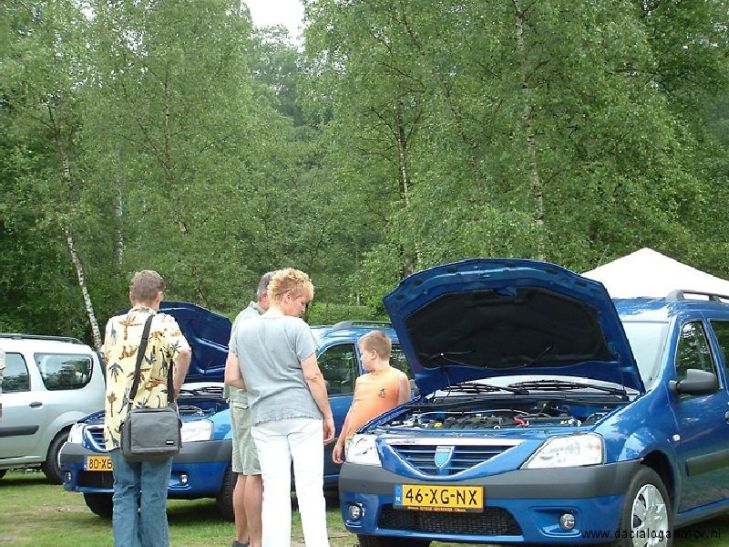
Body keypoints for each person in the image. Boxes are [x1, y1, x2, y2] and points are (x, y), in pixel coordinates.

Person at [225, 268, 334, 547]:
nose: (302, 309)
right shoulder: (297, 328)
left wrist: (259, 386)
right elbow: (313, 376)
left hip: (263, 417)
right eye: (301, 302)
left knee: (274, 491)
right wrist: (327, 414)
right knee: (310, 489)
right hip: (302, 414)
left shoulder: (243, 329)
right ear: (286, 297)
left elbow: (232, 377)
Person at [103, 270, 192, 547]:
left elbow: (108, 358)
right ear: (159, 296)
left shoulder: (113, 324)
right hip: (155, 423)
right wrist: (175, 385)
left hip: (118, 422)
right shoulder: (164, 322)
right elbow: (184, 351)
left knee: (124, 491)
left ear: (132, 295)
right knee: (154, 494)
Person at [224, 271, 275, 547]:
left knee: (244, 472)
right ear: (265, 296)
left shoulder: (244, 317)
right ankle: (257, 541)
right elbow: (242, 371)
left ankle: (242, 539)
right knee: (255, 474)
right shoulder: (253, 322)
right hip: (249, 403)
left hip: (240, 401)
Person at [332, 330, 411, 465]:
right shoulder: (361, 380)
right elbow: (352, 412)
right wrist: (340, 442)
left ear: (373, 354)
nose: (360, 358)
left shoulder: (399, 378)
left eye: (362, 354)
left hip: (377, 443)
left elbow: (403, 416)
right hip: (353, 441)